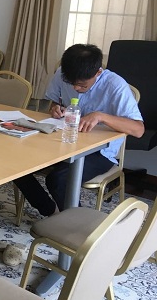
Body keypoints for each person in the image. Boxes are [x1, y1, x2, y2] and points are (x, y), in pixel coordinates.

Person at [13, 44, 144, 216]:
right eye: (71, 83)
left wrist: (101, 116)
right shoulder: (62, 73)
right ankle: (51, 212)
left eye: (82, 85)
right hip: (63, 142)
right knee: (15, 162)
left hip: (99, 152)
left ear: (98, 72)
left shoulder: (115, 85)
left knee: (59, 180)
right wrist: (55, 108)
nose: (76, 88)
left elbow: (138, 129)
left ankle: (78, 225)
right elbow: (54, 102)